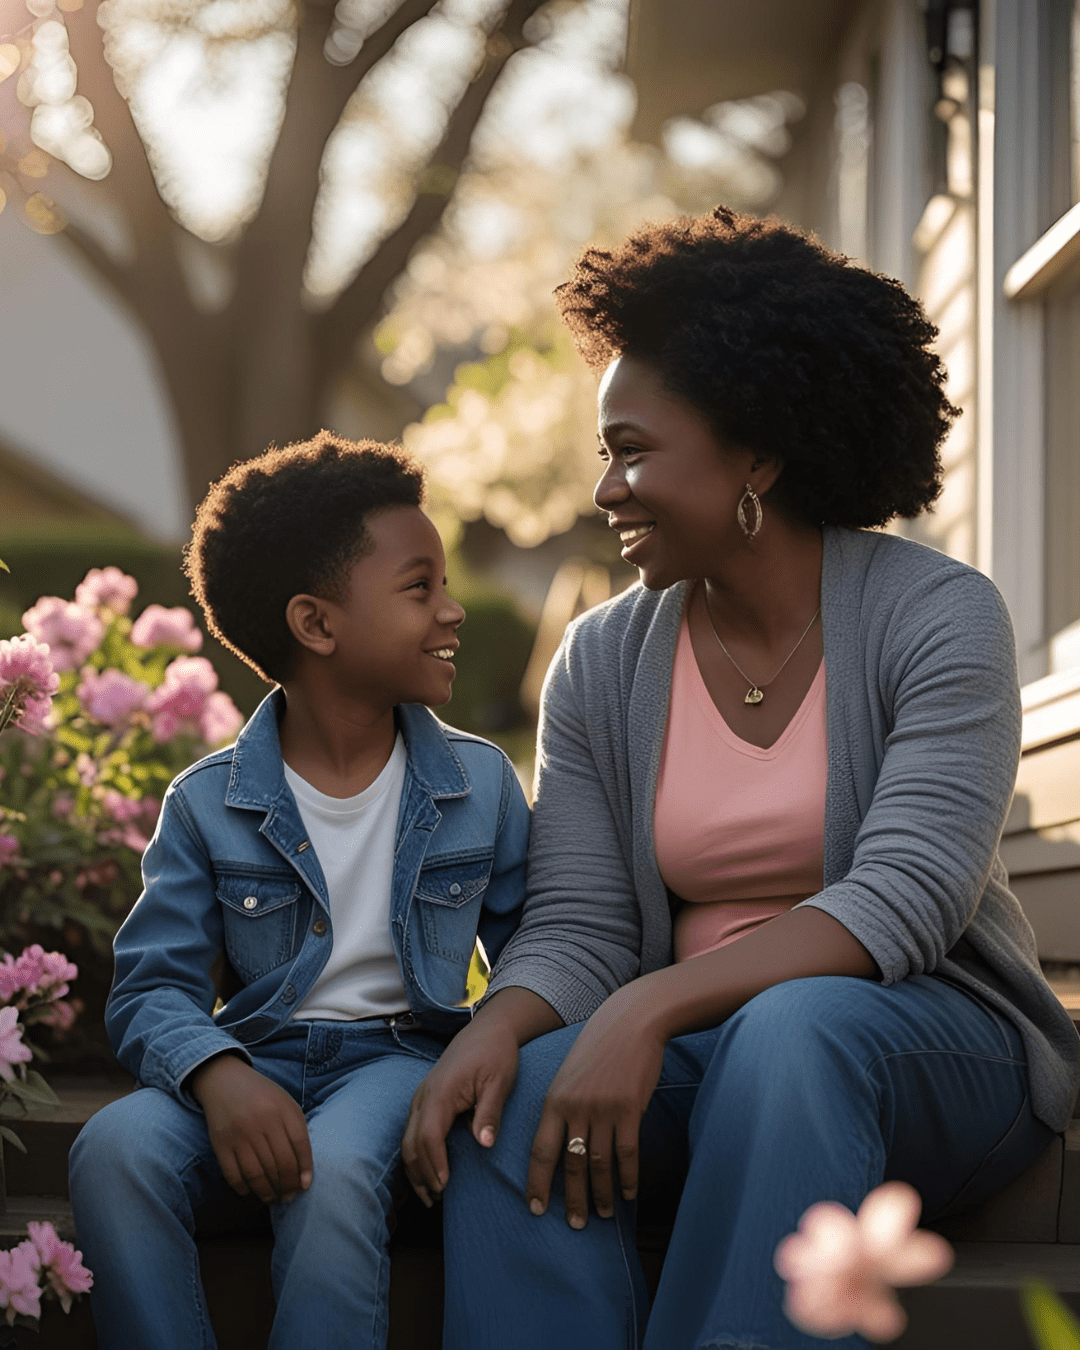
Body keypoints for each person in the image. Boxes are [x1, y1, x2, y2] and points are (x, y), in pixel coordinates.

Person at [401, 208, 1080, 1350]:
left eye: (633, 449)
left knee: (796, 1028)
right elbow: (579, 920)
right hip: (702, 1052)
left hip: (932, 1046)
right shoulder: (607, 657)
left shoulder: (937, 616)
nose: (607, 487)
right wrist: (499, 1028)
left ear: (757, 452)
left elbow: (905, 898)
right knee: (508, 1100)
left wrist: (650, 1006)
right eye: (604, 454)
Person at [68, 433, 529, 1350]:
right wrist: (218, 1073)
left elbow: (539, 954)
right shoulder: (208, 803)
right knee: (111, 1151)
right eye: (419, 587)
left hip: (400, 1063)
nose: (452, 611)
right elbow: (152, 987)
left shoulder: (479, 788)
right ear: (317, 626)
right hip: (257, 1061)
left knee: (334, 1169)